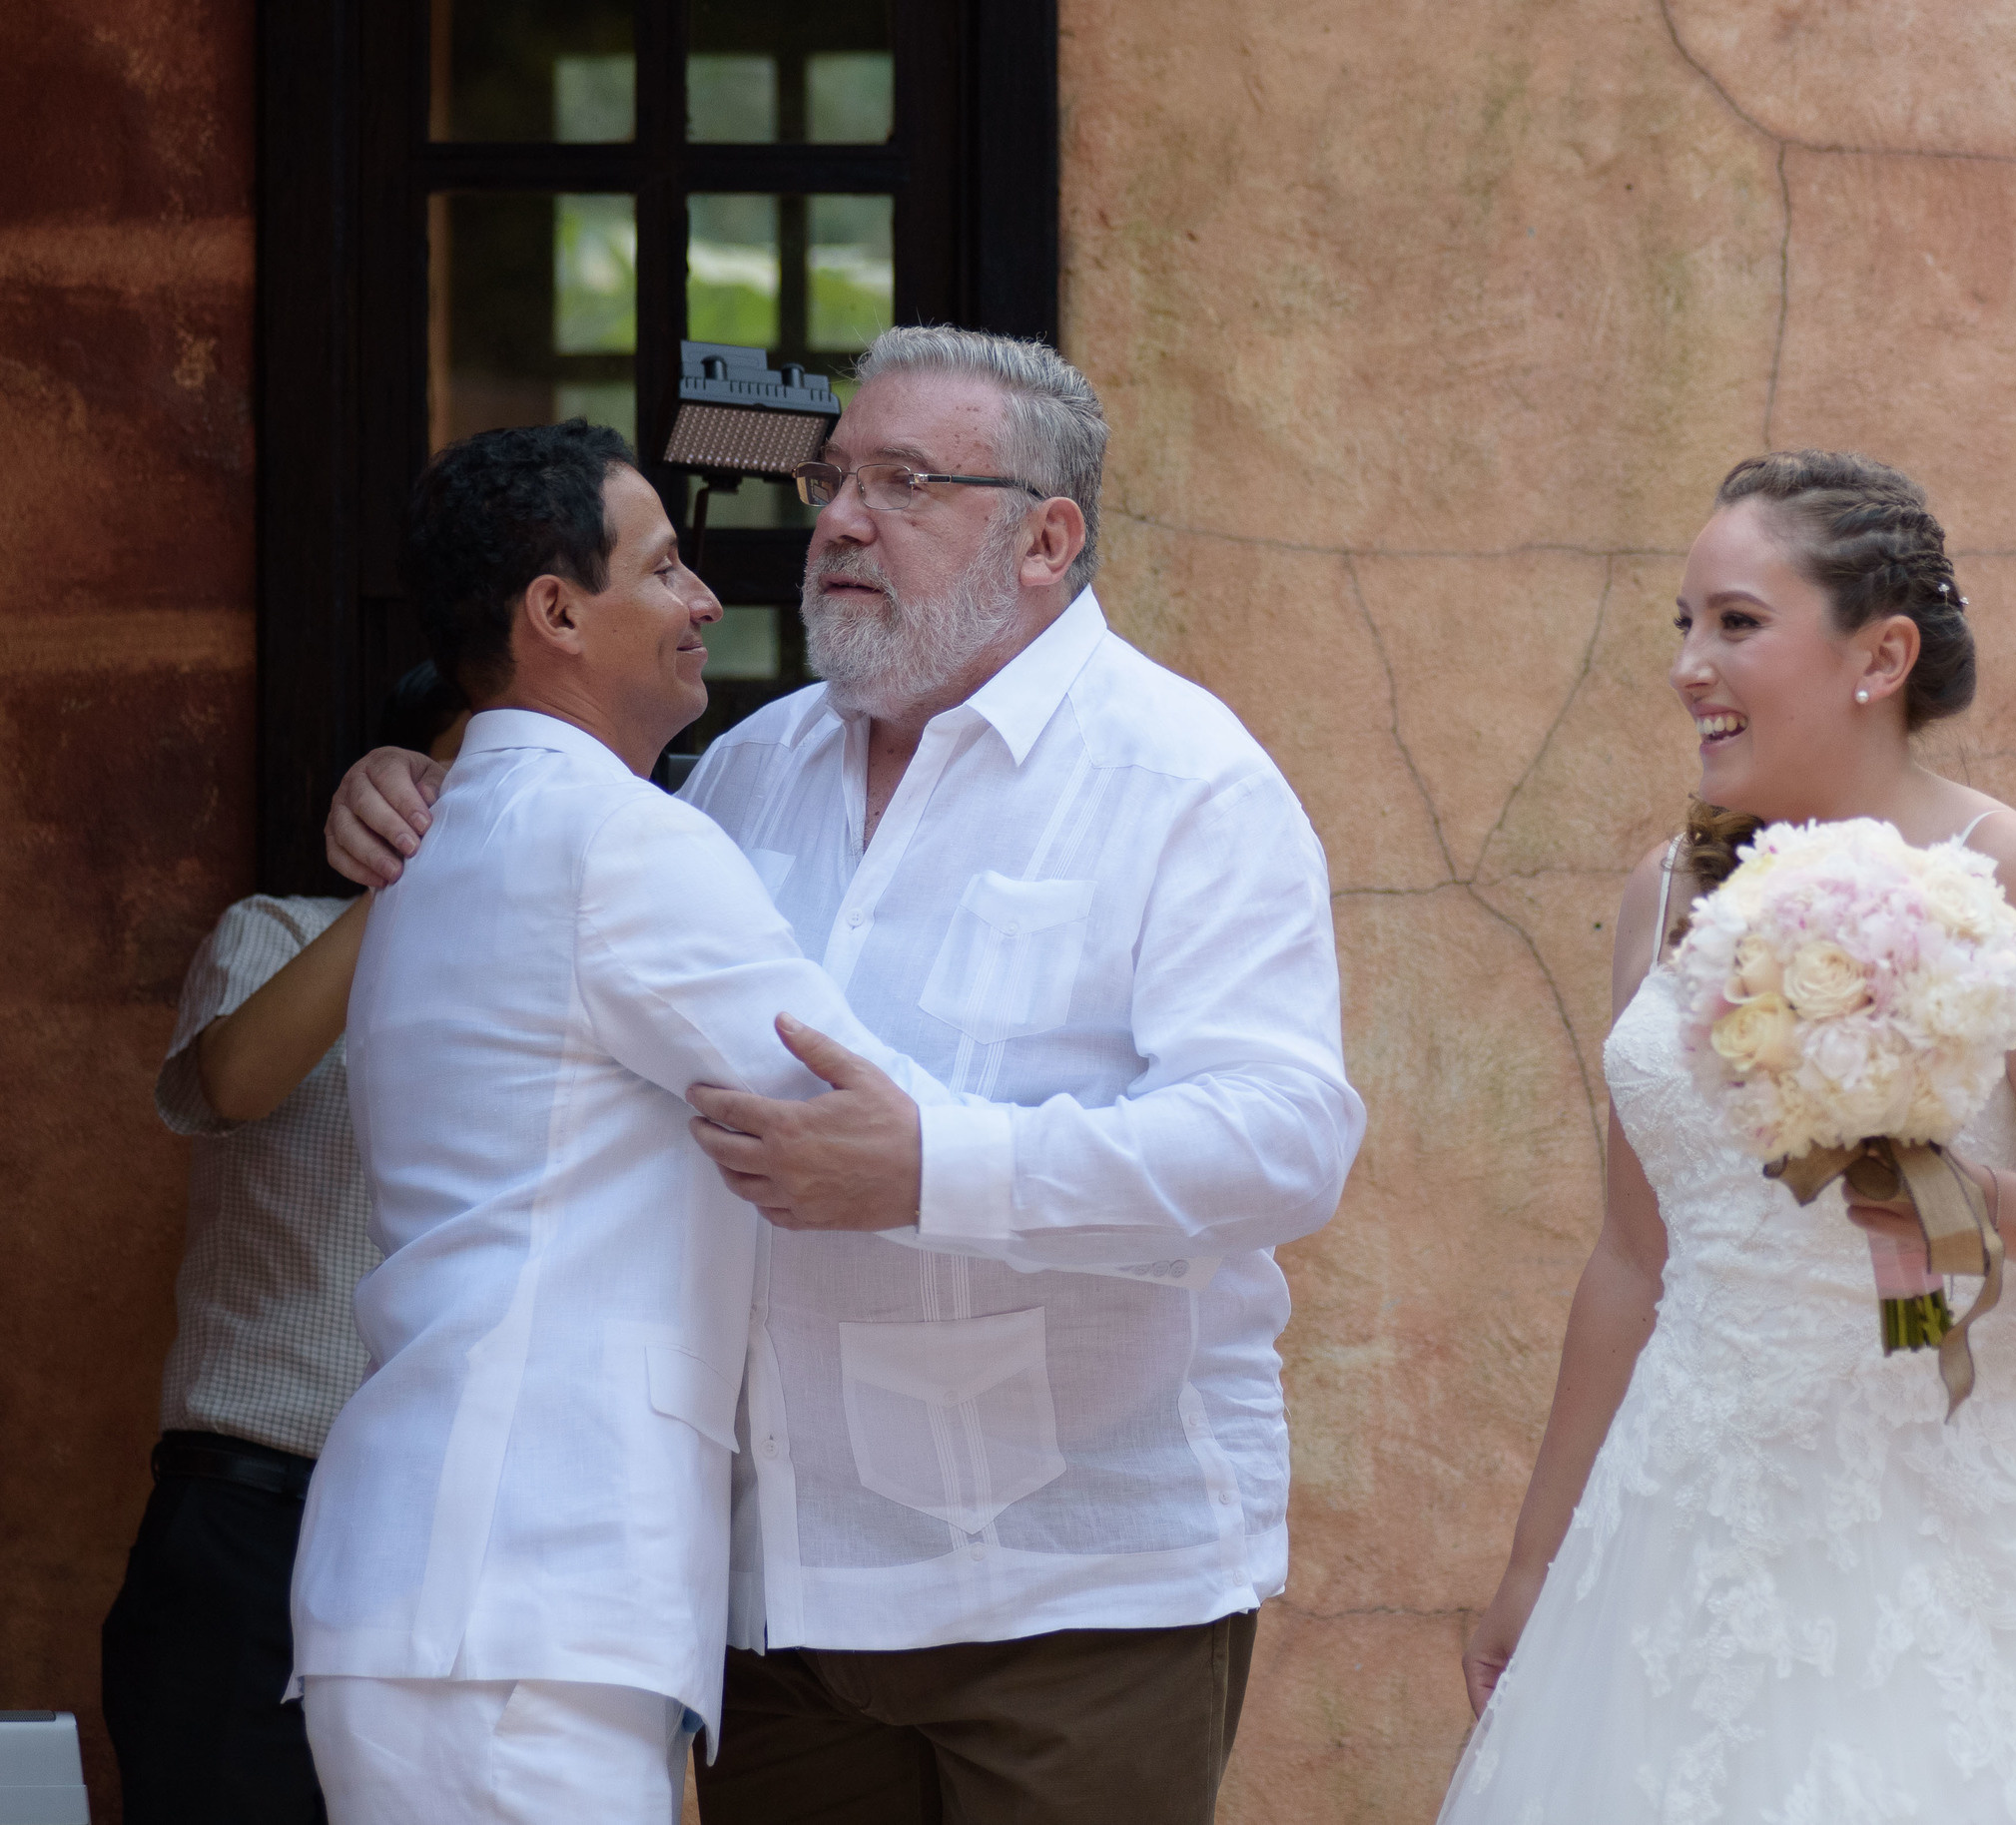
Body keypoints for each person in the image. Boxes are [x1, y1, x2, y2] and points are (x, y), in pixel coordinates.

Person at [324, 327, 1365, 1825]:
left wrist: (941, 1168)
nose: (840, 519)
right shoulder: (745, 773)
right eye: (832, 478)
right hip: (787, 1605)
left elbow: (1280, 1145)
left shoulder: (1186, 779)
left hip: (1076, 1597)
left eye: (904, 482)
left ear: (1045, 539)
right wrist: (421, 781)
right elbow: (556, 891)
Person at [1441, 452, 2016, 1821]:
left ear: (1881, 654)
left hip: (1957, 1500)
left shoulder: (2008, 871)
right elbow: (1630, 1258)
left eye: (1736, 622)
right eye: (1682, 625)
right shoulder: (1660, 895)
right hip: (1689, 1517)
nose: (1690, 665)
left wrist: (1975, 1203)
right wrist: (1539, 1564)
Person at [290, 420, 963, 1824]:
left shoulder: (449, 837)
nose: (706, 601)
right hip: (521, 1589)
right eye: (664, 570)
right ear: (556, 613)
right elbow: (857, 1115)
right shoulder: (619, 841)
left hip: (452, 1589)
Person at [101, 664, 467, 1825]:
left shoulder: (573, 979)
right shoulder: (279, 932)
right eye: (482, 767)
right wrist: (410, 888)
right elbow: (235, 1081)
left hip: (459, 1538)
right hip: (258, 1521)